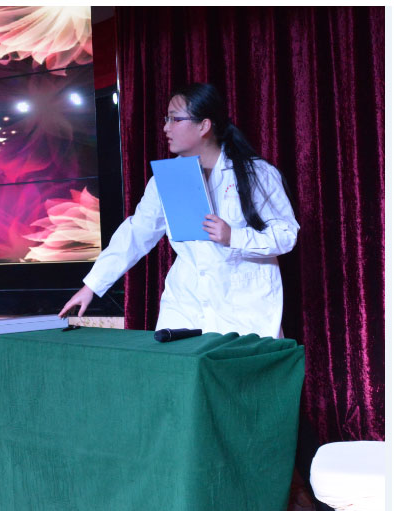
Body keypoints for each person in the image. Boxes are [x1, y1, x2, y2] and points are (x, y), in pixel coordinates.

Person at [59, 83, 299, 338]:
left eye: (175, 119)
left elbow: (286, 235)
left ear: (204, 126)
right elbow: (137, 232)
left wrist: (234, 237)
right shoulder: (168, 178)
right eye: (166, 119)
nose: (166, 127)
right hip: (186, 305)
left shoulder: (256, 174)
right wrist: (92, 286)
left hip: (245, 308)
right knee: (178, 363)